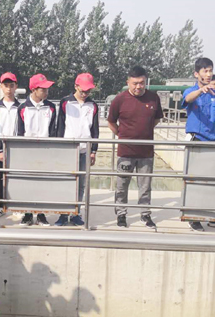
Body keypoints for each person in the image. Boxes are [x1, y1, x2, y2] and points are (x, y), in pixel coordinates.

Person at [182, 59, 215, 232]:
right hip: (198, 140)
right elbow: (187, 99)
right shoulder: (191, 91)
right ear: (196, 74)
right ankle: (193, 217)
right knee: (195, 181)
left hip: (214, 141)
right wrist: (200, 91)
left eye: (210, 71)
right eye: (205, 71)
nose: (208, 74)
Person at [107, 66, 162, 229]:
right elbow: (111, 121)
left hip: (146, 152)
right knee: (122, 185)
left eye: (142, 83)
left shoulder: (153, 98)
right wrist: (122, 135)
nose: (138, 86)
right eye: (135, 83)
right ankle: (121, 214)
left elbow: (157, 119)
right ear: (128, 82)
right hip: (126, 151)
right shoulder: (119, 99)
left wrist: (145, 131)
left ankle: (145, 214)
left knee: (145, 186)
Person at [54, 73, 99, 226]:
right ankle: (62, 214)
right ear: (76, 86)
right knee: (65, 183)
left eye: (88, 91)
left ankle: (76, 213)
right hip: (67, 149)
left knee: (81, 184)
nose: (85, 93)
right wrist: (58, 146)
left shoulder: (93, 105)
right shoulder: (65, 103)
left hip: (85, 149)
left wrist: (94, 150)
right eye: (83, 90)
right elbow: (60, 126)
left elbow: (95, 129)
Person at [17, 73, 56, 227]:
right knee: (27, 183)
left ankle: (41, 214)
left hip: (45, 150)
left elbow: (53, 130)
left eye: (47, 89)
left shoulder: (51, 107)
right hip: (28, 150)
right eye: (43, 89)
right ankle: (27, 214)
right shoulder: (23, 108)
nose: (46, 92)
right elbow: (19, 131)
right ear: (33, 90)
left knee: (43, 183)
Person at [0, 72, 20, 217]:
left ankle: (16, 206)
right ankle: (0, 207)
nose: (9, 89)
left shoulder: (20, 107)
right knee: (0, 179)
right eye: (6, 85)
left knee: (16, 178)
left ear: (16, 87)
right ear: (1, 87)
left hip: (16, 149)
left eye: (11, 85)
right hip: (1, 149)